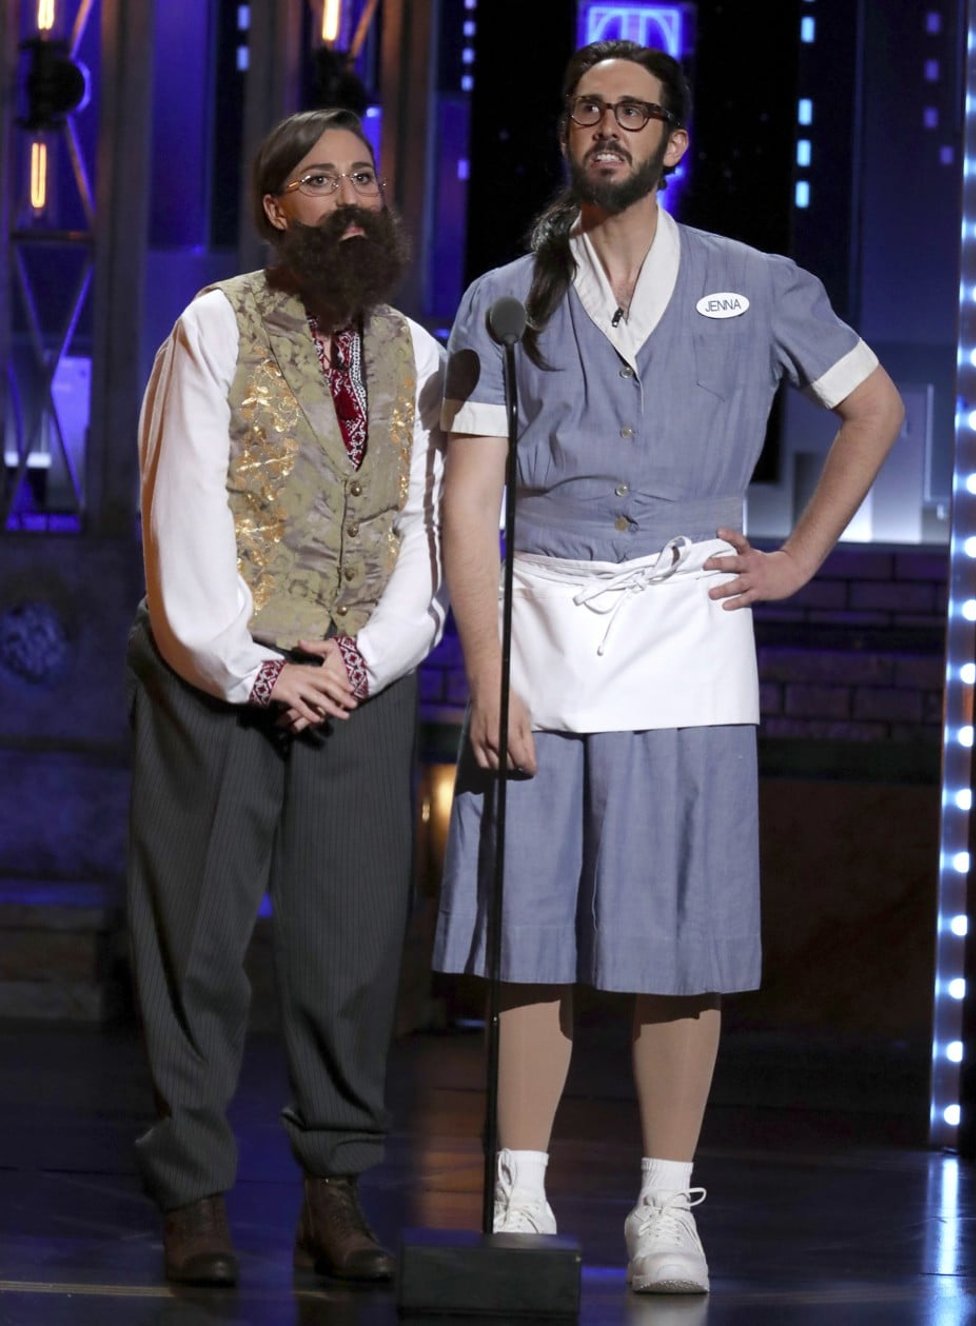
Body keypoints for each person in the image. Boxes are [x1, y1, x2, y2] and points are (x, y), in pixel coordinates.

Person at [433, 40, 903, 1295]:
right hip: (540, 619)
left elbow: (875, 409)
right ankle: (518, 1194)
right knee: (531, 928)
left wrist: (800, 558)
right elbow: (464, 500)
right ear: (566, 129)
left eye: (634, 111)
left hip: (688, 625)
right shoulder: (502, 297)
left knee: (677, 935)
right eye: (588, 106)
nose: (609, 125)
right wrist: (483, 674)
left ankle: (662, 1208)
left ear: (673, 142)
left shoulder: (757, 285)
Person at [126, 107, 445, 1287]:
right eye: (322, 181)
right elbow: (181, 519)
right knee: (197, 945)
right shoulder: (214, 326)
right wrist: (257, 667)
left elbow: (424, 532)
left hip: (360, 680)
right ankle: (196, 1197)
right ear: (277, 210)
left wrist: (361, 661)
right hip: (215, 676)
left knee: (351, 945)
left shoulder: (419, 347)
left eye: (364, 176)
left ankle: (333, 1191)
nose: (351, 198)